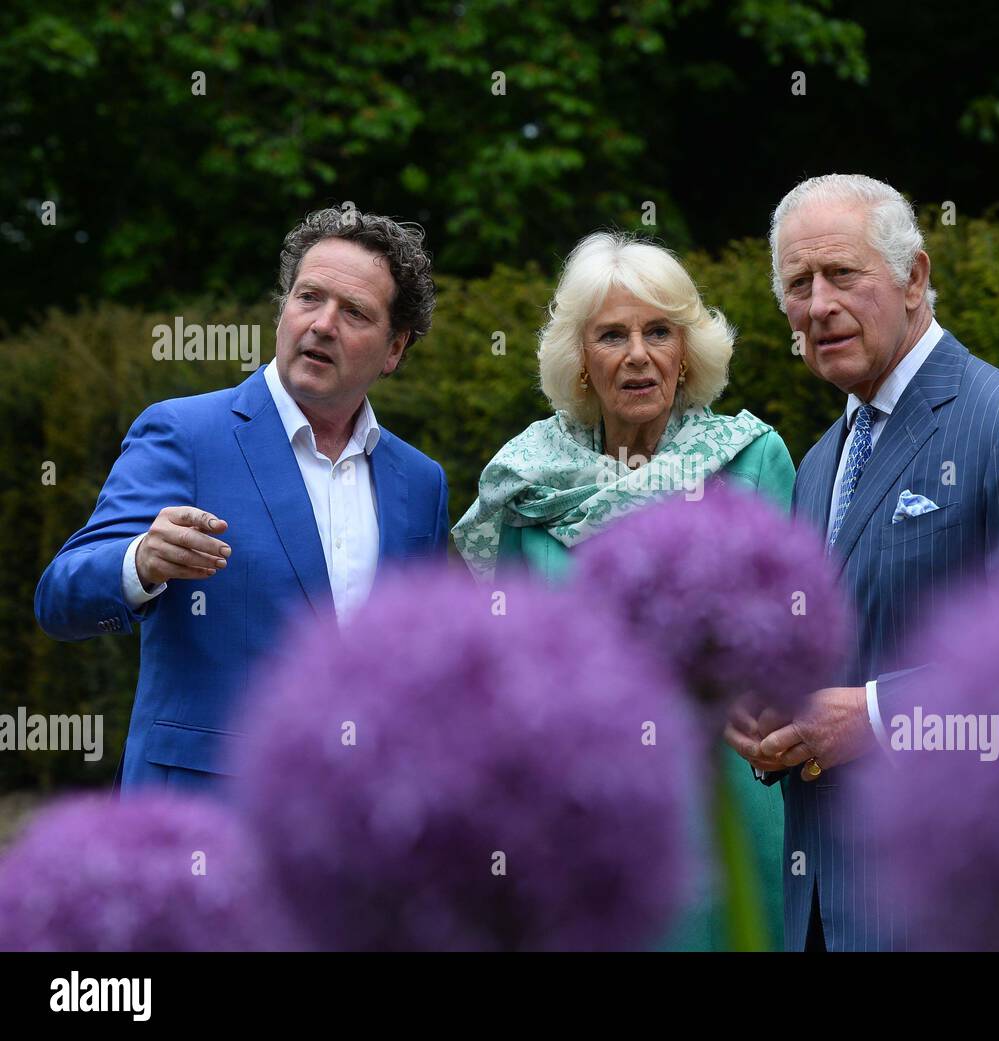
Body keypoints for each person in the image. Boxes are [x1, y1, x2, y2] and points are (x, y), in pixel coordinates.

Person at [725, 174, 999, 951]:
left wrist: (870, 717)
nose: (820, 303)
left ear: (915, 277)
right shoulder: (818, 463)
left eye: (842, 273)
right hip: (822, 913)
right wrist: (775, 714)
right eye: (799, 284)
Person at [453, 230, 794, 949]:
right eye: (612, 334)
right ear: (581, 361)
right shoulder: (523, 485)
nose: (638, 354)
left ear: (686, 351)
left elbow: (790, 644)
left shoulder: (750, 458)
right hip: (582, 810)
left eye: (658, 331)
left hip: (724, 798)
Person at [34, 207, 450, 793]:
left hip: (358, 834)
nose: (322, 324)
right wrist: (139, 562)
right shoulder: (184, 434)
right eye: (309, 297)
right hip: (207, 821)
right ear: (283, 308)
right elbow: (59, 598)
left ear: (394, 349)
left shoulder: (420, 482)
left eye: (354, 311)